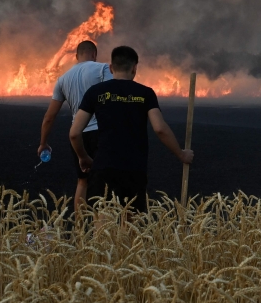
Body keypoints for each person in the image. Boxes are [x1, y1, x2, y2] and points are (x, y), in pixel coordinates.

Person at [69, 45, 193, 215]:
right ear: (135, 68)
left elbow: (74, 133)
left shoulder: (95, 92)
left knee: (102, 230)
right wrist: (181, 154)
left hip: (103, 167)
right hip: (134, 168)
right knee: (131, 230)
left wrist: (83, 157)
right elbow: (160, 128)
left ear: (111, 68)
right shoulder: (145, 94)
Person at [38, 40, 112, 215]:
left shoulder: (63, 79)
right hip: (101, 133)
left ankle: (79, 228)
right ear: (94, 54)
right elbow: (113, 96)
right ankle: (100, 230)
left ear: (76, 57)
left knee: (82, 180)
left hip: (77, 135)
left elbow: (50, 116)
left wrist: (43, 143)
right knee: (103, 182)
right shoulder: (103, 69)